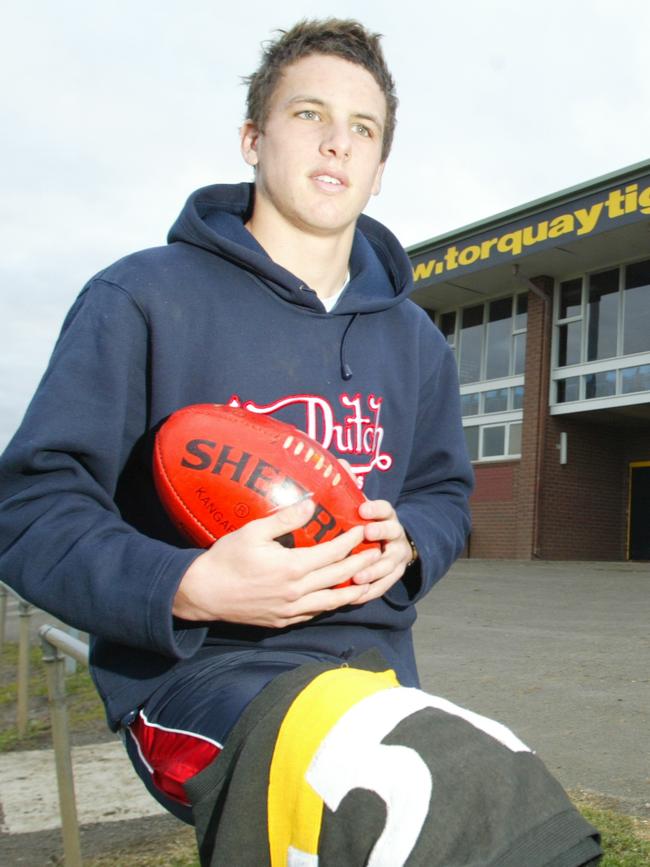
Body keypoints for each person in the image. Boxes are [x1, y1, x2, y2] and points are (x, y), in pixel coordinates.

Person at [0, 18, 601, 866]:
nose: (336, 141)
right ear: (253, 137)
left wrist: (412, 543)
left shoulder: (415, 338)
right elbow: (30, 507)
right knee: (463, 802)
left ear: (381, 166)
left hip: (371, 673)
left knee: (494, 775)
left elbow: (444, 496)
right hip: (202, 678)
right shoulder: (141, 297)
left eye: (363, 128)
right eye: (308, 113)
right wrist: (189, 583)